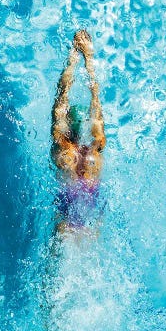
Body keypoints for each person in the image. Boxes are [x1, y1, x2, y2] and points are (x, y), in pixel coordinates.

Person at [51, 30, 106, 234]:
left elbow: (61, 101)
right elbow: (93, 104)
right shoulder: (94, 147)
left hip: (77, 221)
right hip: (84, 222)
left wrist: (78, 59)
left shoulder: (67, 145)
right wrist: (83, 60)